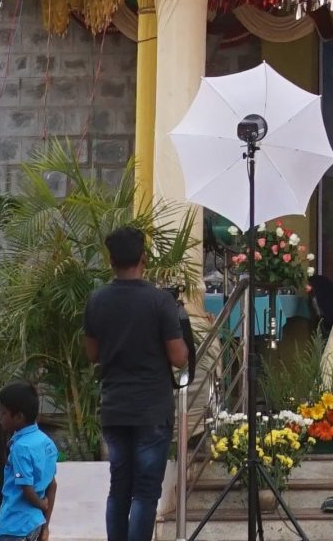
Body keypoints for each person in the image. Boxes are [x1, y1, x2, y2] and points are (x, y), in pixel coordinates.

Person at [82, 225, 190, 541]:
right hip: (151, 410)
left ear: (111, 259)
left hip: (114, 407)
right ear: (144, 258)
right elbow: (178, 357)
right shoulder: (159, 302)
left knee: (119, 488)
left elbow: (93, 354)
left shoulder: (97, 300)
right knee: (145, 491)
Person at [0, 383, 57, 541]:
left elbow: (26, 488)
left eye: (3, 412)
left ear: (19, 417)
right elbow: (52, 485)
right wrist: (46, 526)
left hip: (15, 526)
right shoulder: (46, 442)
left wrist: (41, 504)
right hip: (36, 524)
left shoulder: (21, 448)